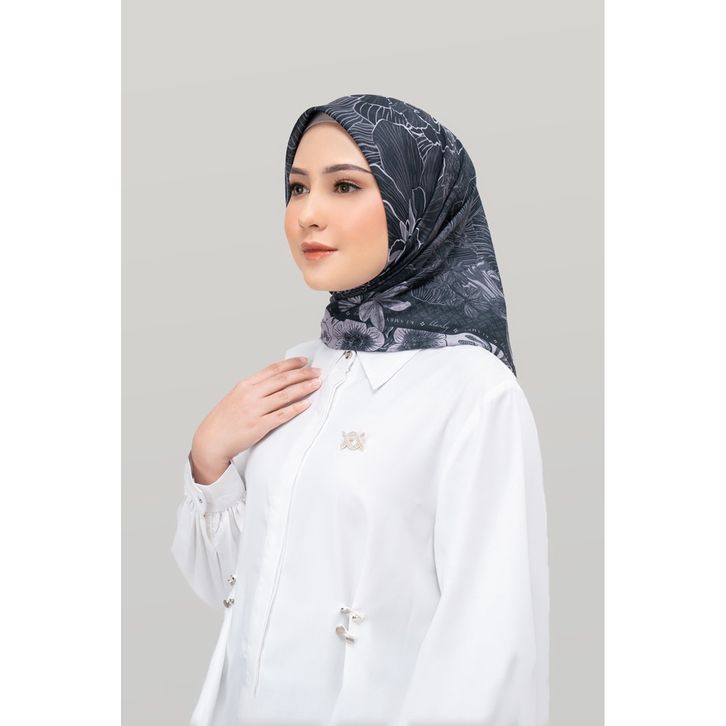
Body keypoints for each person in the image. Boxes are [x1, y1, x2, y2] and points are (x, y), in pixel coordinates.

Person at [171, 94, 550, 726]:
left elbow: (489, 647)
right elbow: (233, 588)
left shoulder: (475, 393)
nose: (307, 215)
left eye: (344, 186)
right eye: (297, 188)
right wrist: (209, 458)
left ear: (418, 205)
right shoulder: (302, 369)